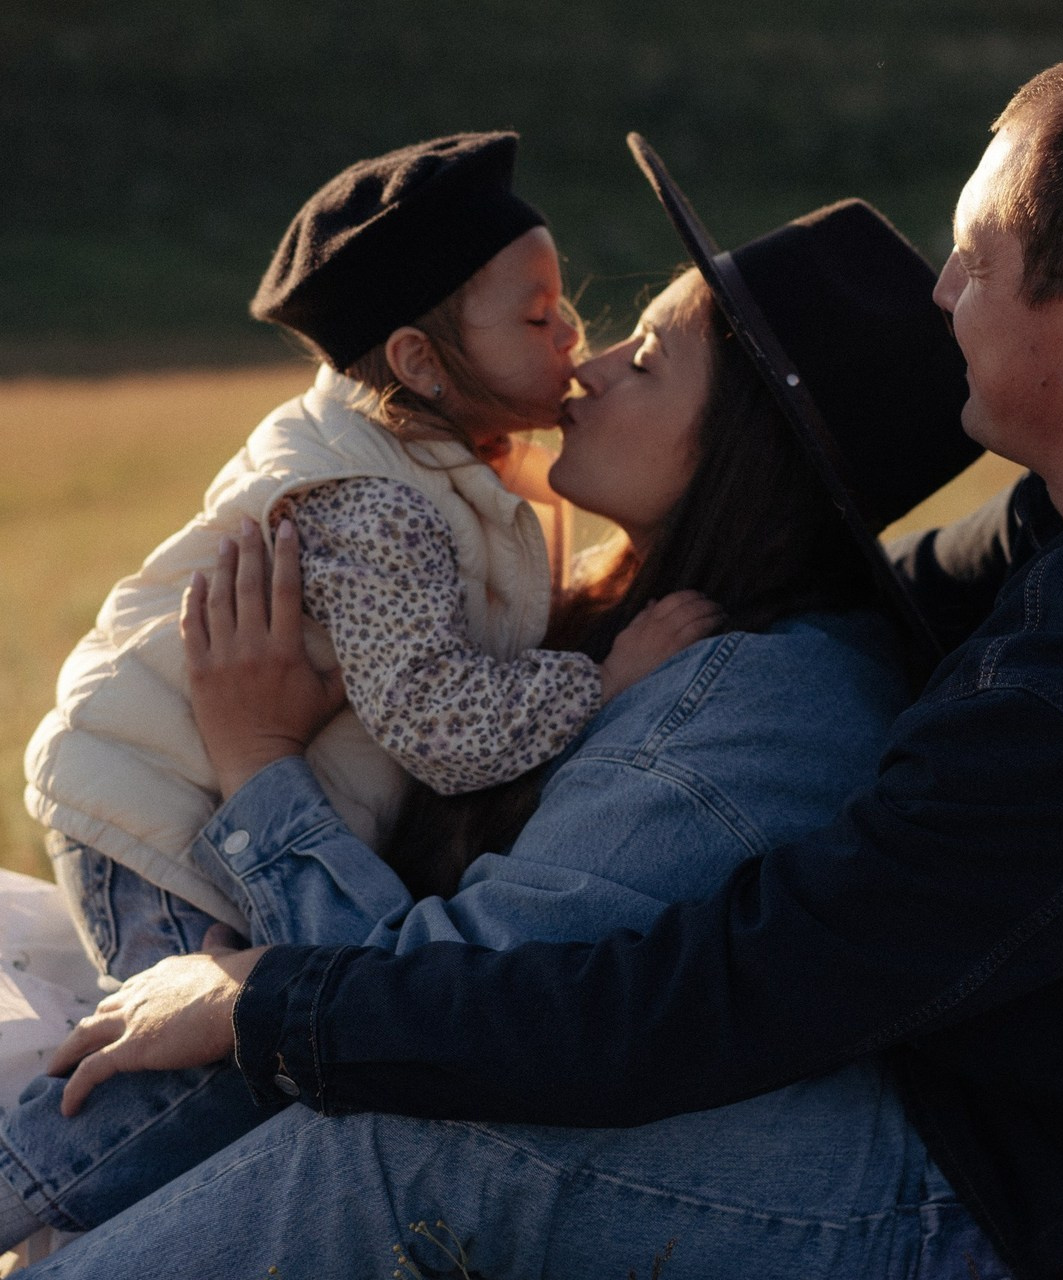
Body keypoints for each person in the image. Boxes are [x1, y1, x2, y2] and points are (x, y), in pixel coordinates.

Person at [16, 37, 1063, 1278]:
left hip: (1044, 1210)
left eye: (977, 258)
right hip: (992, 1117)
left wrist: (264, 968)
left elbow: (711, 995)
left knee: (447, 1139)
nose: (942, 291)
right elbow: (891, 584)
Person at [0, 174, 981, 1271]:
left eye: (647, 360)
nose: (588, 362)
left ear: (751, 448)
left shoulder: (735, 707)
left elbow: (433, 1014)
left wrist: (259, 760)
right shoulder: (604, 606)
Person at [21, 130, 715, 986]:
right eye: (539, 317)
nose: (572, 336)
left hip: (211, 822)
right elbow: (435, 720)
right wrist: (605, 684)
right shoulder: (374, 502)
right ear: (420, 362)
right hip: (158, 824)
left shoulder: (452, 461)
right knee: (186, 1076)